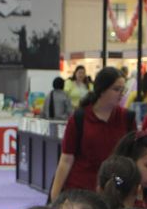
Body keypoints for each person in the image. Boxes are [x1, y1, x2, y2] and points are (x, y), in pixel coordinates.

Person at [48, 67, 135, 200]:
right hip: (80, 190)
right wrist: (54, 196)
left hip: (114, 190)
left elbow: (133, 157)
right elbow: (66, 160)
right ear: (101, 90)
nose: (121, 94)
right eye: (116, 89)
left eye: (123, 90)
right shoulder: (79, 118)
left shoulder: (127, 118)